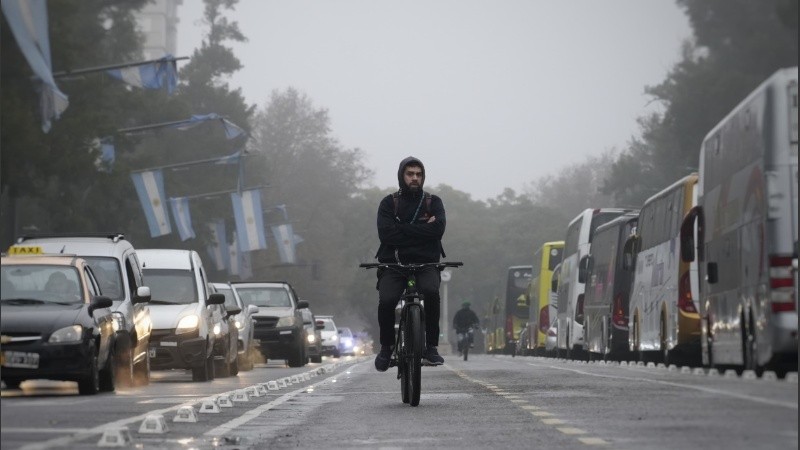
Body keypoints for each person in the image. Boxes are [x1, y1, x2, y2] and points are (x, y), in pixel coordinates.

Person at [373, 156, 447, 372]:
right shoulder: (388, 203)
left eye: (418, 174)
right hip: (393, 265)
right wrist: (424, 232)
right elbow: (386, 235)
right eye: (410, 174)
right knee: (387, 301)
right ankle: (386, 348)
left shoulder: (434, 202)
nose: (415, 178)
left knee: (432, 293)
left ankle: (431, 347)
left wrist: (401, 229)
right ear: (401, 176)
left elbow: (438, 230)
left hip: (427, 264)